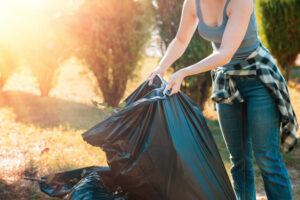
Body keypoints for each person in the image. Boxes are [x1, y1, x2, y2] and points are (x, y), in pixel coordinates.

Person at [147, 0, 298, 199]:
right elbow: (181, 40)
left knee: (266, 158)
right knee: (239, 160)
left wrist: (184, 72)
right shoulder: (193, 3)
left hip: (258, 77)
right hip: (227, 80)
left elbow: (225, 53)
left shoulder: (240, 2)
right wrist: (161, 67)